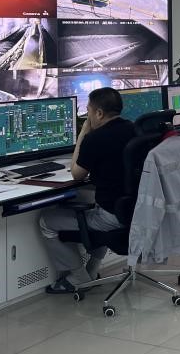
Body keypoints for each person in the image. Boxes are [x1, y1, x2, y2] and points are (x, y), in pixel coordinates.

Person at [39, 87, 136, 293]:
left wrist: (83, 133)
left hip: (111, 217)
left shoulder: (96, 139)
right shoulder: (135, 130)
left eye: (88, 111)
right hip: (136, 212)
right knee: (93, 203)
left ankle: (78, 277)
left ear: (99, 113)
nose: (87, 116)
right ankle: (91, 270)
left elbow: (76, 174)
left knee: (46, 221)